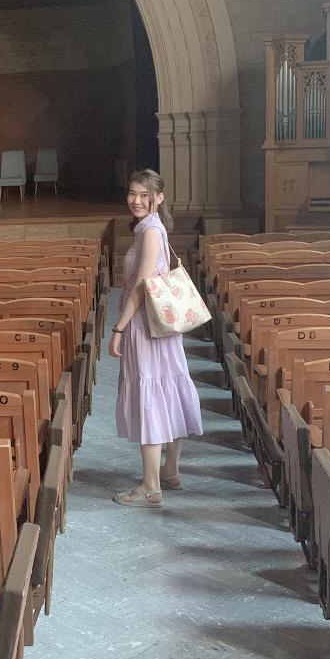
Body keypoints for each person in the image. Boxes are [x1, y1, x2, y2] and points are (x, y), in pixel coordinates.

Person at [109, 169, 203, 507]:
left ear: (159, 198)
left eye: (144, 195)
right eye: (132, 193)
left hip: (146, 327)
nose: (136, 200)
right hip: (161, 327)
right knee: (167, 391)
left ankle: (150, 486)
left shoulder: (150, 231)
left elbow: (140, 286)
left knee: (150, 397)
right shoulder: (153, 229)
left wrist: (119, 328)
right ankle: (170, 471)